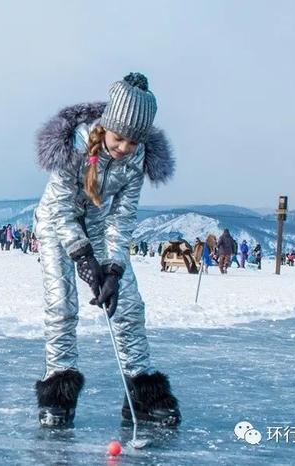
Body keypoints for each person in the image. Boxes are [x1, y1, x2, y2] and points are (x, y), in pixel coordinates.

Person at [32, 73, 180, 428]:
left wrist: (112, 270)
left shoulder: (134, 160)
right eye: (120, 137)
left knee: (127, 302)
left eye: (134, 141)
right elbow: (60, 210)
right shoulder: (76, 147)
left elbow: (121, 218)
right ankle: (58, 394)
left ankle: (142, 394)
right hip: (56, 225)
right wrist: (82, 257)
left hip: (98, 228)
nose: (125, 147)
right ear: (107, 126)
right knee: (62, 303)